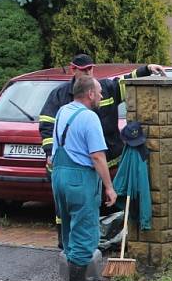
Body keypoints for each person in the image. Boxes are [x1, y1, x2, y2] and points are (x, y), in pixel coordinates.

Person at [39, 54, 165, 247]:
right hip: (82, 168)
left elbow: (124, 82)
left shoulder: (104, 88)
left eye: (91, 69)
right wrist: (49, 152)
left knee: (103, 208)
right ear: (73, 70)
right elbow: (47, 125)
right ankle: (71, 250)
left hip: (107, 164)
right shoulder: (60, 97)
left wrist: (146, 69)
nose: (90, 73)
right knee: (73, 213)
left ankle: (98, 246)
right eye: (85, 70)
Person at [50, 75, 118, 281]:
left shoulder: (62, 111)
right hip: (79, 179)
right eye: (98, 92)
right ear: (89, 93)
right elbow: (98, 156)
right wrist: (109, 187)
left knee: (69, 228)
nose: (101, 96)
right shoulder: (89, 117)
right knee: (85, 231)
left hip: (59, 176)